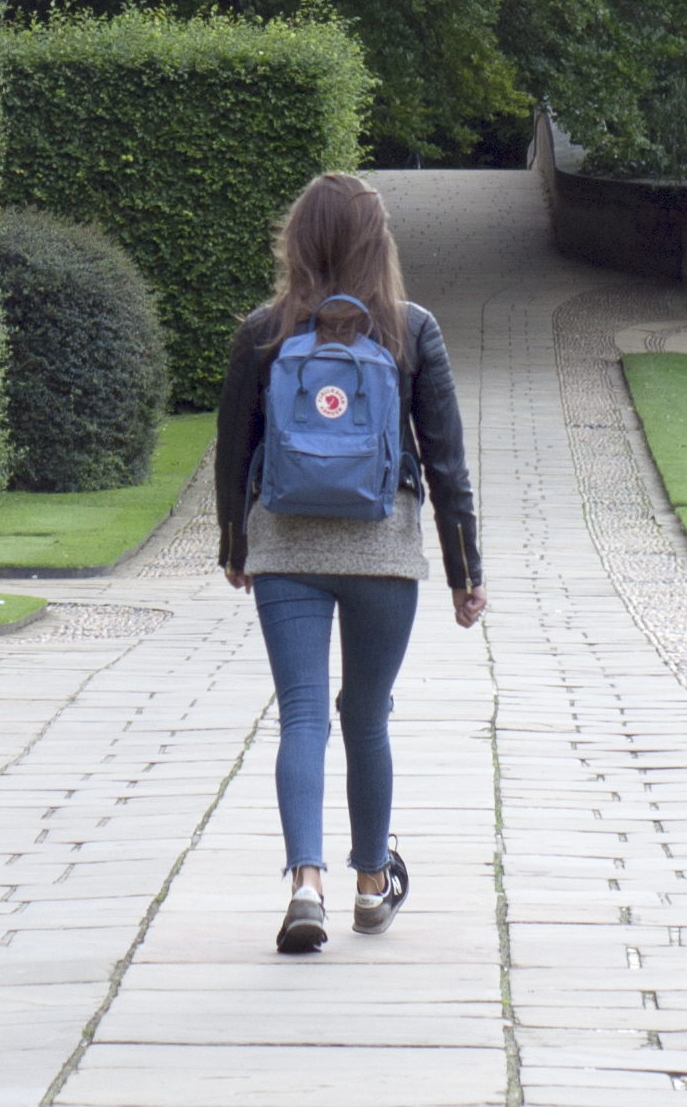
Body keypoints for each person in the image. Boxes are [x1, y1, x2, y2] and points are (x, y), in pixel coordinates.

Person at [216, 169, 485, 956]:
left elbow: (232, 453)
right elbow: (446, 463)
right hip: (384, 551)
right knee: (365, 715)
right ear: (379, 243)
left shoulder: (265, 331)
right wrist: (465, 571)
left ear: (297, 241)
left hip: (286, 546)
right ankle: (373, 884)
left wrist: (237, 547)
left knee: (300, 713)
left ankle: (307, 882)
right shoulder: (409, 329)